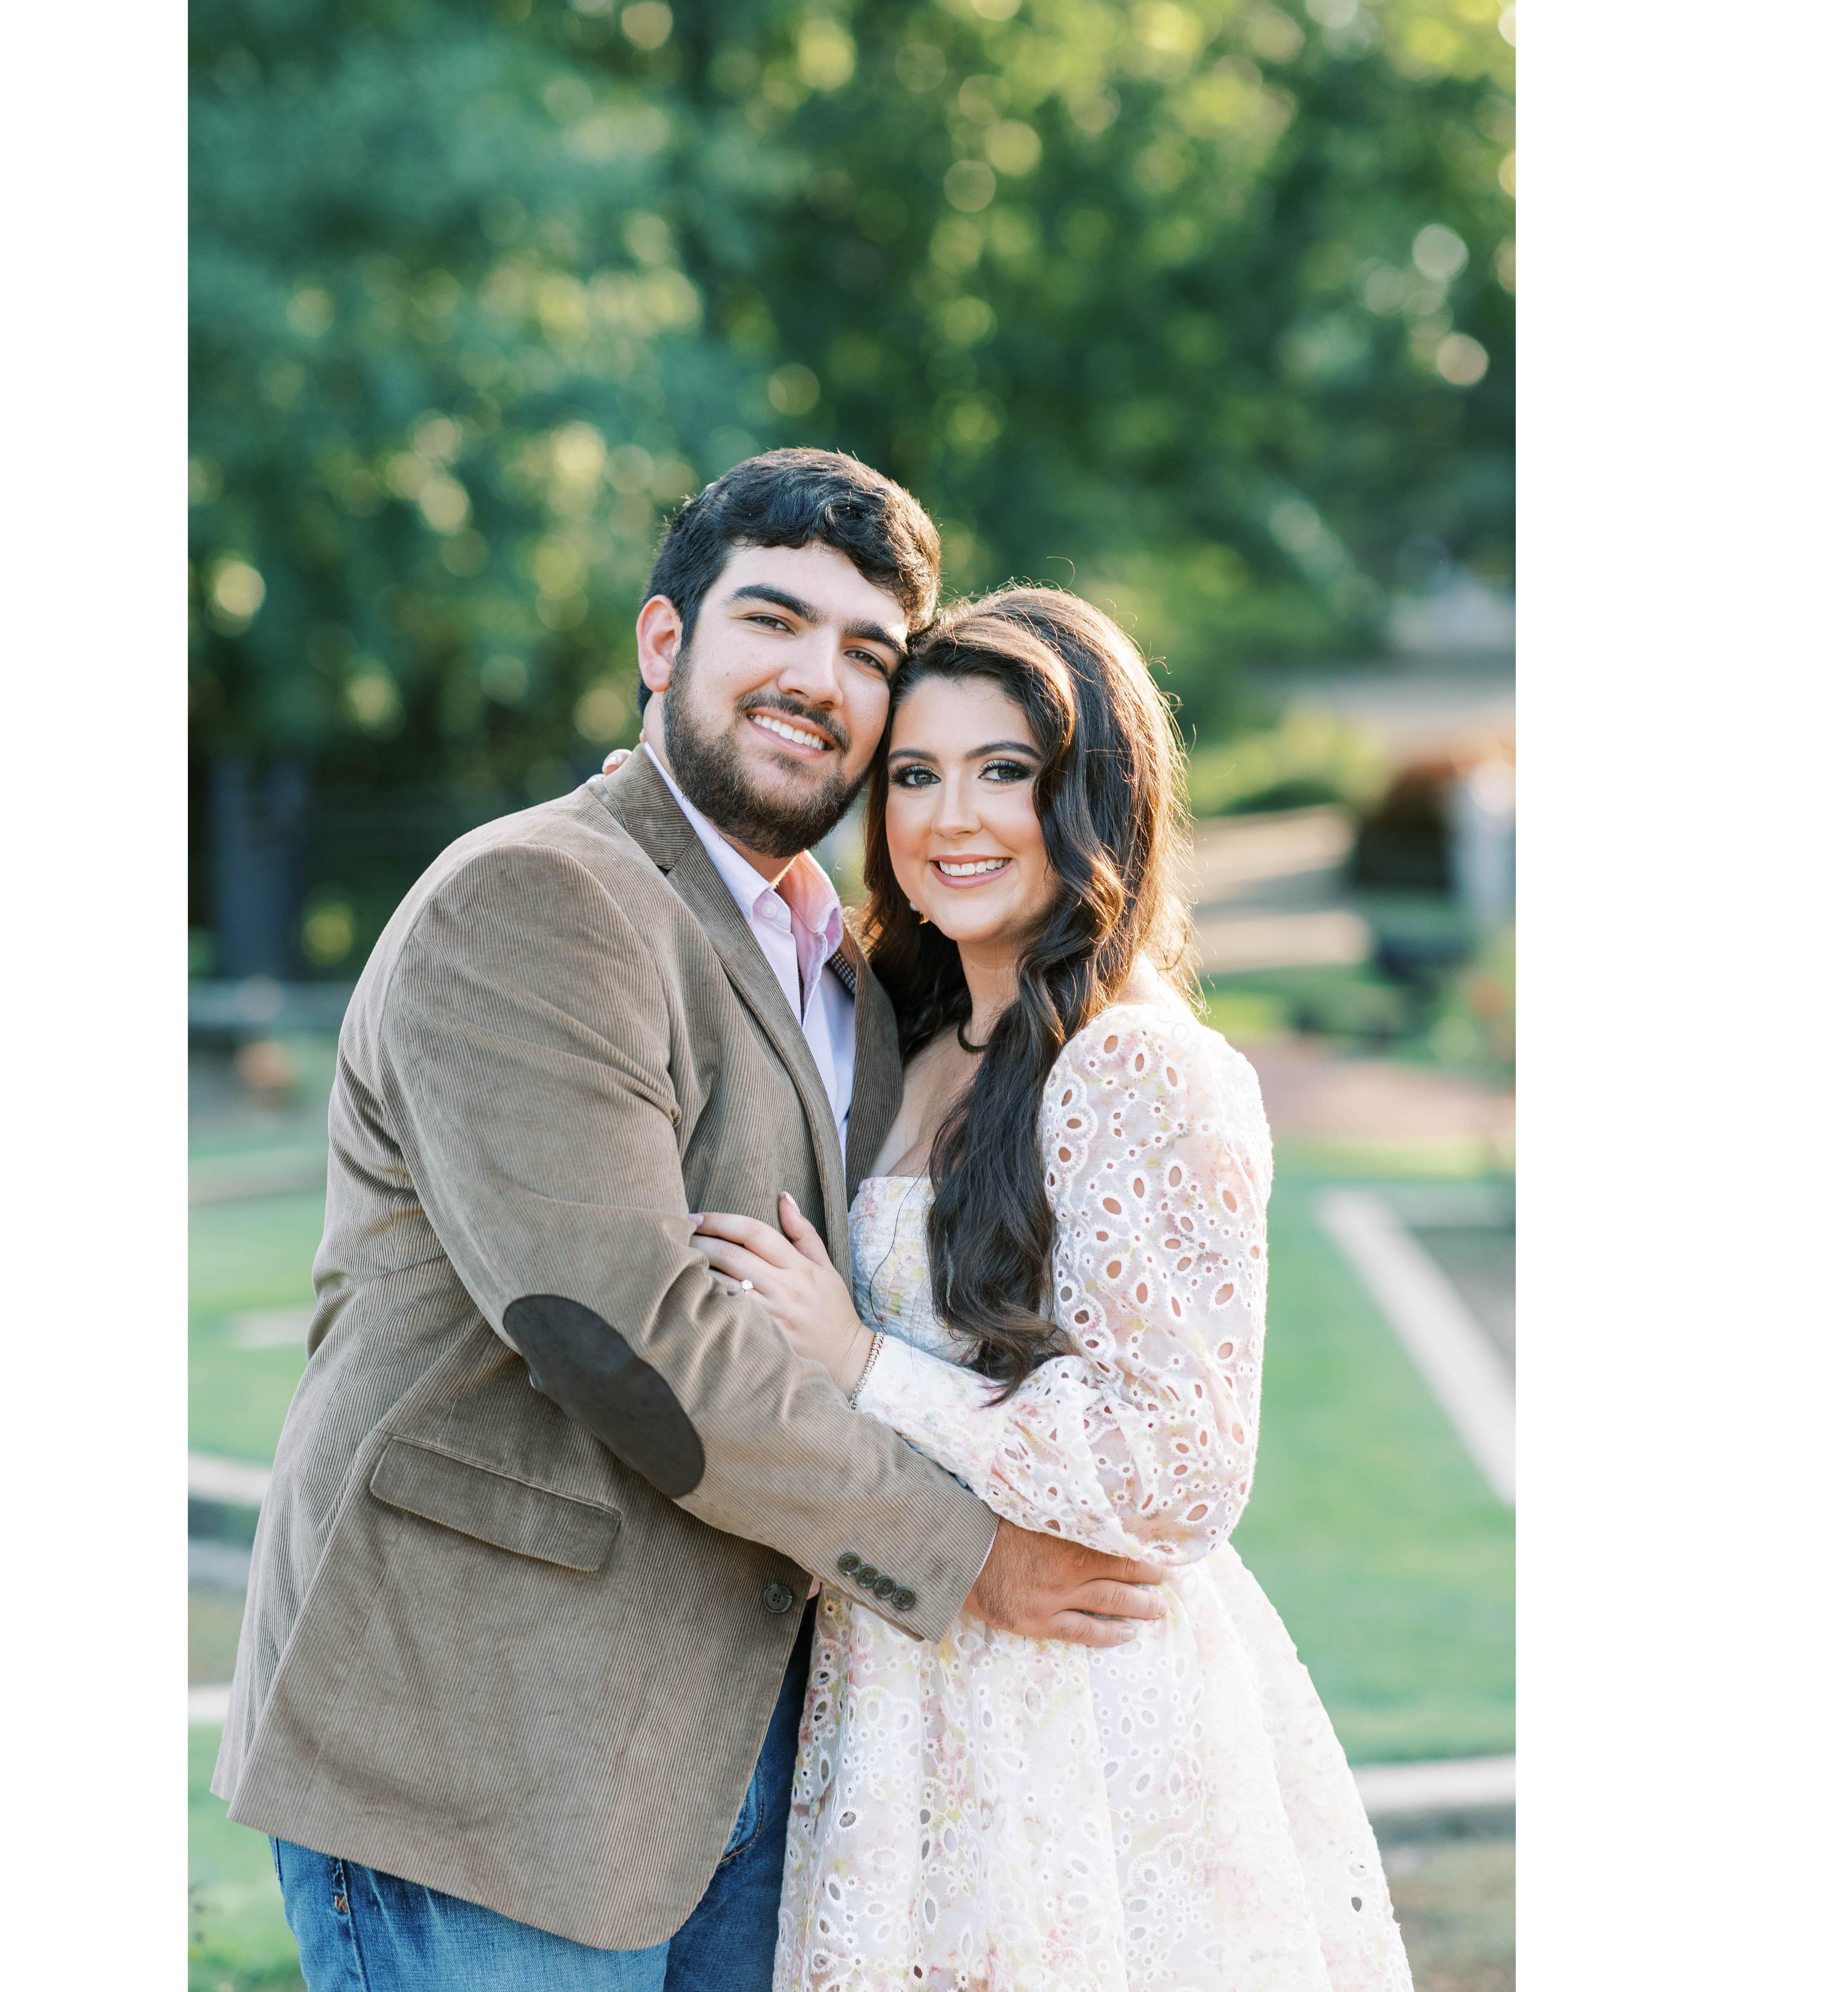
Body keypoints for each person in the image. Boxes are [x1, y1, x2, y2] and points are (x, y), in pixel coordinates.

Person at [212, 453, 1172, 1992]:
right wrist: (968, 1559)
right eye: (772, 621)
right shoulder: (538, 900)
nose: (818, 680)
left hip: (738, 1748)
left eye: (867, 652)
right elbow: (623, 1338)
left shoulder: (846, 969)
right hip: (479, 1753)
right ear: (664, 641)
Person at [689, 588, 1417, 1990]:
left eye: (1003, 772)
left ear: (1093, 797)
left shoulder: (1137, 1067)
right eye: (915, 775)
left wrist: (864, 1366)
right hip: (902, 1679)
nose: (951, 820)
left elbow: (1180, 1464)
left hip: (1068, 1716)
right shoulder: (904, 1030)